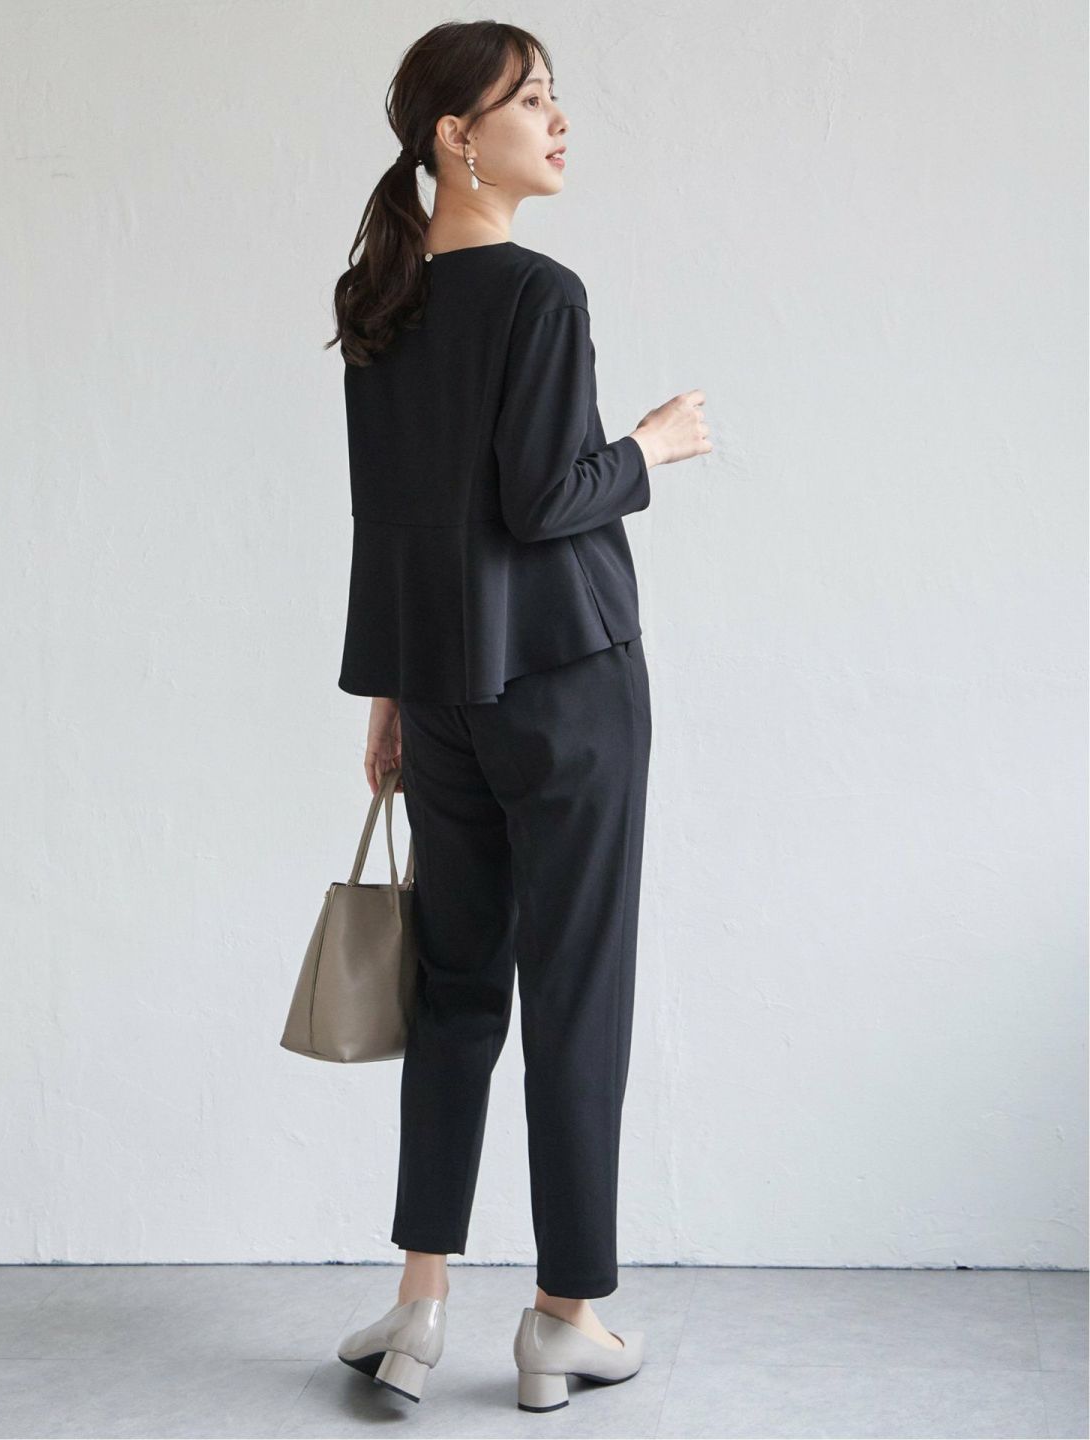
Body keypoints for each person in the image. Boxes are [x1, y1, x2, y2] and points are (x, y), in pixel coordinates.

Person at [327, 20, 711, 1410]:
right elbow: (546, 501)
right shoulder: (541, 294)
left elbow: (393, 522)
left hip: (442, 691)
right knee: (577, 989)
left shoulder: (377, 302)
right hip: (568, 682)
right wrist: (651, 446)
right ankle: (564, 1314)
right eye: (531, 99)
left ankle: (419, 1303)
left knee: (454, 987)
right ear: (457, 137)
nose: (557, 121)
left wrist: (391, 691)